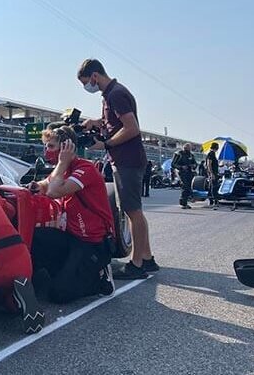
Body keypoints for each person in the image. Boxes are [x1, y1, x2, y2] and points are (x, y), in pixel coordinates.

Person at [77, 58, 157, 279]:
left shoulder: (116, 95)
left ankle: (137, 264)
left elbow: (132, 128)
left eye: (86, 82)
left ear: (94, 76)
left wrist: (106, 144)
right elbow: (115, 123)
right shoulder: (111, 94)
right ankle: (147, 258)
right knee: (134, 211)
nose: (87, 87)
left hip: (127, 160)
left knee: (132, 212)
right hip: (126, 159)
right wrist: (96, 122)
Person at [28, 125, 115, 303]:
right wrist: (36, 185)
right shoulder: (64, 170)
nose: (47, 151)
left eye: (51, 146)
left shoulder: (85, 169)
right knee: (35, 236)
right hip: (72, 237)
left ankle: (99, 277)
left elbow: (53, 191)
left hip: (93, 243)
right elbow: (46, 184)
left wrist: (62, 163)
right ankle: (59, 273)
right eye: (46, 146)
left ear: (66, 147)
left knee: (59, 294)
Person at [172, 143, 197, 209]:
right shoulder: (178, 154)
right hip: (181, 172)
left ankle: (186, 200)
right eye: (186, 147)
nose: (188, 148)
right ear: (184, 147)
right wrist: (181, 167)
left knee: (189, 187)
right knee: (185, 186)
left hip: (189, 172)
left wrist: (194, 165)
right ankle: (183, 203)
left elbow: (195, 163)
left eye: (189, 147)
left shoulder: (191, 155)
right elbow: (173, 164)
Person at [206, 142, 220, 210]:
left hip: (214, 173)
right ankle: (214, 201)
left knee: (211, 186)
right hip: (213, 173)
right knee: (214, 187)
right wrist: (211, 173)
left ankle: (211, 201)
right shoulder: (211, 154)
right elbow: (209, 164)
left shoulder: (213, 154)